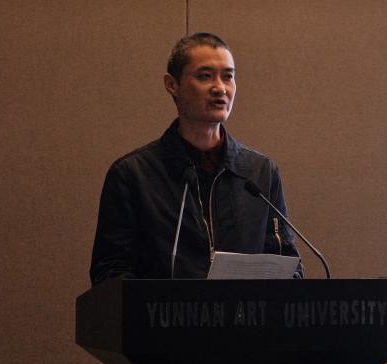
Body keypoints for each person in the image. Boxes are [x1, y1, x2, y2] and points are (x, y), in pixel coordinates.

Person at [89, 32, 303, 284]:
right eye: (205, 76)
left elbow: (288, 265)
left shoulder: (260, 173)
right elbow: (111, 273)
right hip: (165, 310)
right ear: (172, 85)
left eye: (228, 76)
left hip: (245, 310)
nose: (220, 88)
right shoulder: (133, 175)